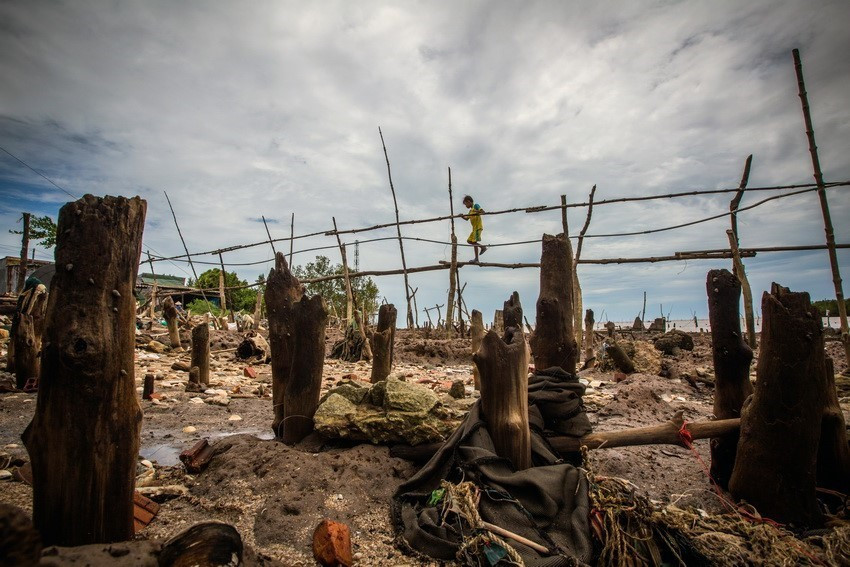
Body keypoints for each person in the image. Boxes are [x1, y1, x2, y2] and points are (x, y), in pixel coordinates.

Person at [461, 195, 487, 262]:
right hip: (474, 229)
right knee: (469, 241)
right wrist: (462, 216)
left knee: (474, 242)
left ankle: (477, 258)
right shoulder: (470, 211)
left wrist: (476, 211)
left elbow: (483, 212)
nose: (465, 206)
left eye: (465, 204)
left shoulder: (476, 206)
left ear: (468, 201)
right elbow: (467, 219)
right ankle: (482, 248)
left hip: (478, 227)